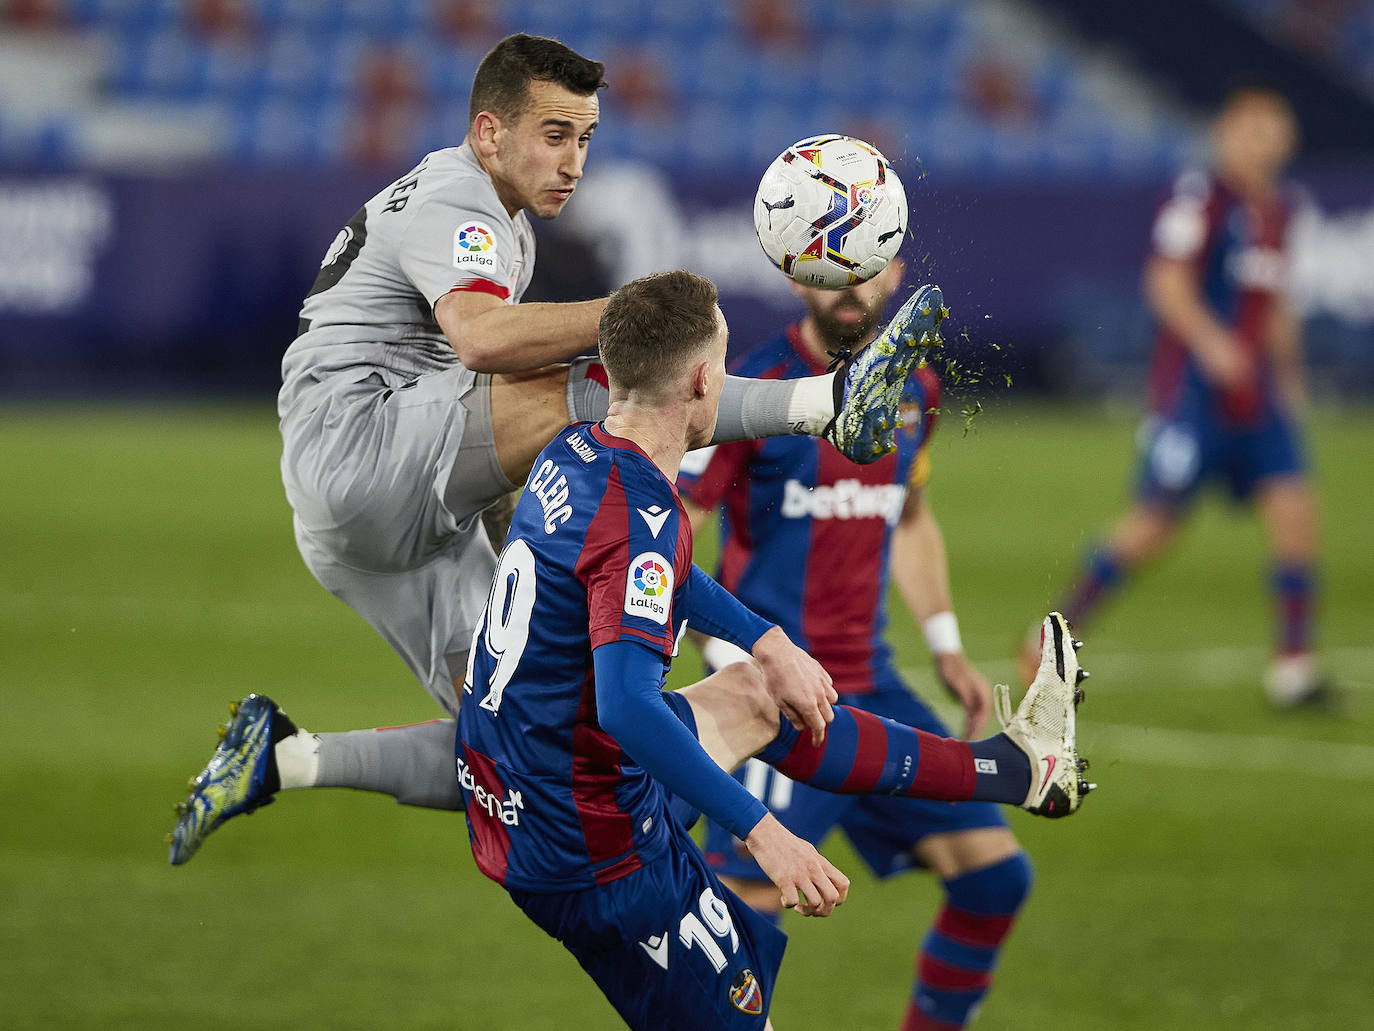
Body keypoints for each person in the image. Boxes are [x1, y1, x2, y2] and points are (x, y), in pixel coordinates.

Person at [167, 34, 950, 864]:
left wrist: (542, 558)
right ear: (488, 133)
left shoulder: (509, 226)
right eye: (554, 135)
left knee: (530, 743)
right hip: (361, 449)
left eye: (585, 139)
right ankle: (827, 402)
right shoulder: (458, 199)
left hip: (363, 522)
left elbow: (483, 435)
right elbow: (479, 339)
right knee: (610, 373)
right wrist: (634, 313)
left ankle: (284, 756)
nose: (574, 161)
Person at [457, 269, 1092, 1030]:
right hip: (590, 842)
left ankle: (1019, 767)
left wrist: (762, 635)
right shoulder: (647, 516)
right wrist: (768, 834)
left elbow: (641, 571)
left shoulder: (575, 451)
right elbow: (628, 704)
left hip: (518, 788)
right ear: (701, 380)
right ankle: (1014, 772)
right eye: (723, 366)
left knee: (761, 695)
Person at [676, 255, 1031, 1031]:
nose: (849, 286)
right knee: (730, 923)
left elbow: (908, 515)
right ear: (796, 275)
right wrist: (729, 657)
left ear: (896, 271)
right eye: (828, 269)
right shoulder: (757, 390)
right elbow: (677, 527)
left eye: (865, 266)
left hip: (872, 688)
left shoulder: (917, 388)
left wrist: (944, 643)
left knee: (995, 879)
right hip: (779, 702)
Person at [1019, 83, 1334, 709]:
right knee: (1152, 527)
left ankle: (1293, 670)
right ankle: (1052, 635)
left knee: (1296, 514)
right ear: (1226, 131)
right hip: (1195, 396)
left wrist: (1289, 377)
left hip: (1259, 399)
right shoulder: (1202, 198)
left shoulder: (1279, 209)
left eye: (1274, 129)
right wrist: (1213, 344)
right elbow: (1166, 281)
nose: (1263, 141)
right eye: (1252, 128)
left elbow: (1275, 306)